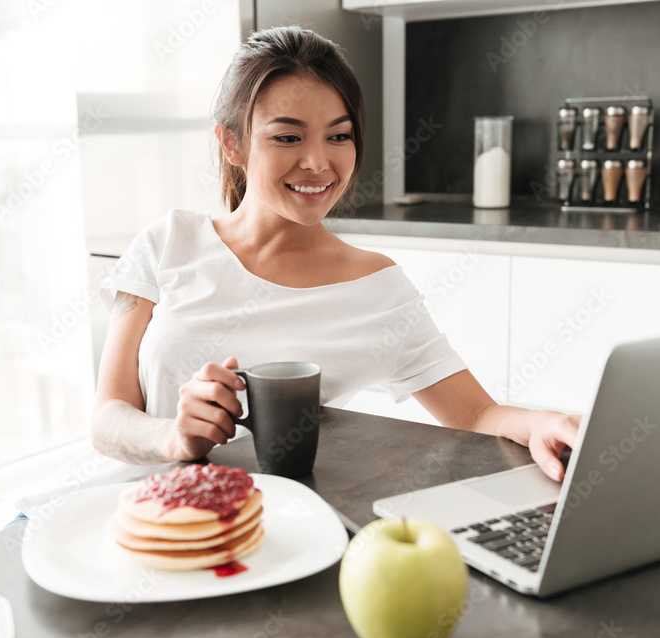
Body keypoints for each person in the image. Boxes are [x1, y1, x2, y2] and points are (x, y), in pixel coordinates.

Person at [91, 25, 579, 484]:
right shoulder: (166, 243)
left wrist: (541, 422)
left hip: (279, 532)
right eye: (287, 137)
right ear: (231, 144)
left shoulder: (377, 288)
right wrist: (173, 436)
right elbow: (107, 418)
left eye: (339, 135)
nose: (319, 163)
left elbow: (475, 413)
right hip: (139, 516)